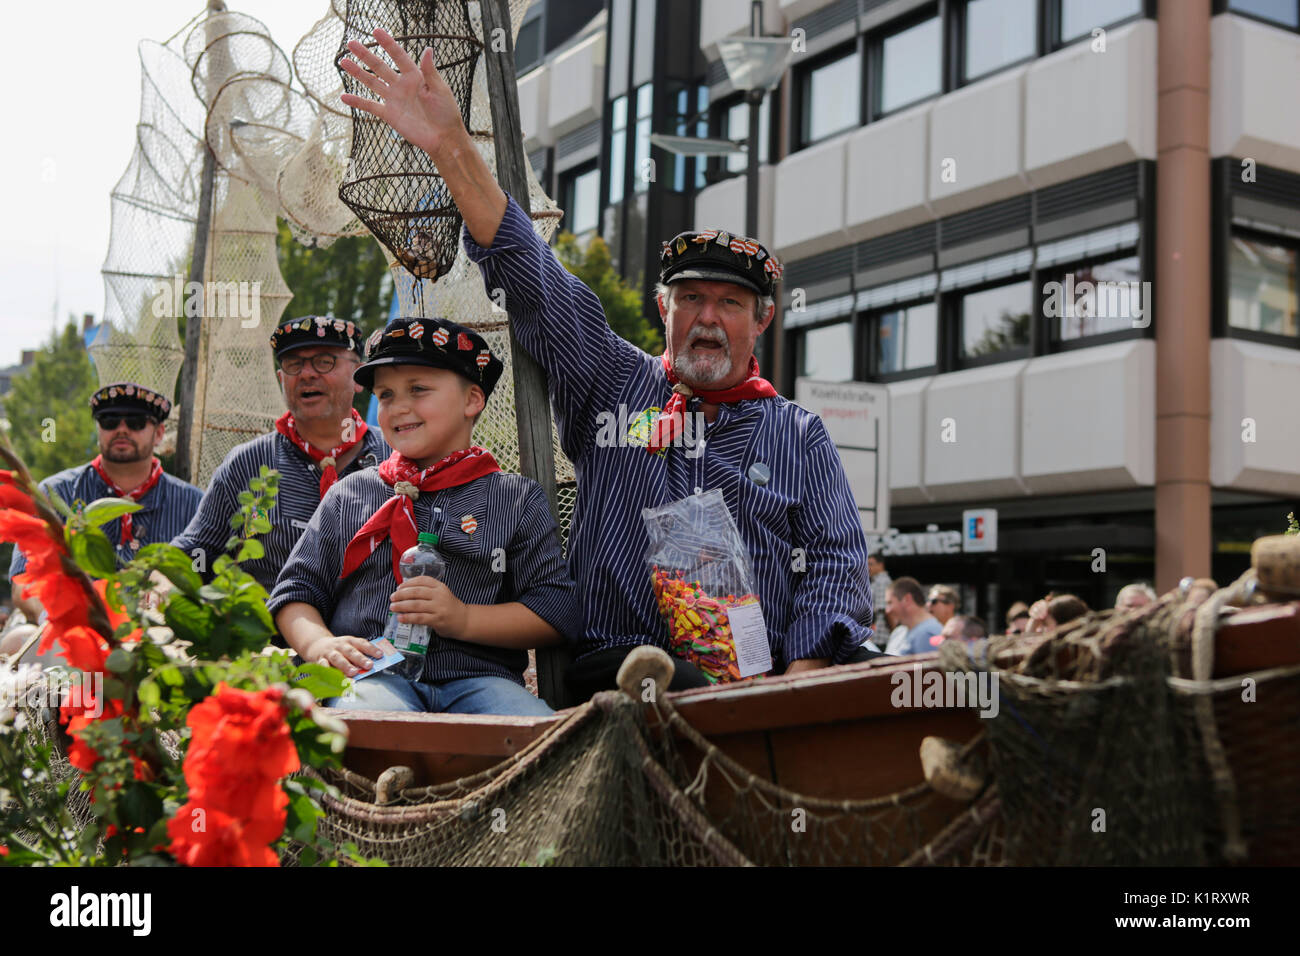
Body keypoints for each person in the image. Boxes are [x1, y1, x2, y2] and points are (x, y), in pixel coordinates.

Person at [335, 30, 876, 699]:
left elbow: (835, 565)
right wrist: (451, 149)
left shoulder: (798, 434)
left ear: (763, 318)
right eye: (692, 299)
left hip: (757, 695)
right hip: (614, 681)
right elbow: (531, 273)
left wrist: (797, 688)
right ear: (661, 309)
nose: (708, 319)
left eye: (731, 303)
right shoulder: (613, 382)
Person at [268, 318, 578, 716]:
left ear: (472, 400)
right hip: (371, 677)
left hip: (480, 682)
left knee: (536, 735)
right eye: (386, 394)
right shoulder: (350, 493)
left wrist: (463, 619)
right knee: (369, 724)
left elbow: (553, 611)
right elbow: (295, 593)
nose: (399, 406)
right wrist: (320, 645)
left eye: (418, 389)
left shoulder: (514, 499)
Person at [172, 316, 390, 592]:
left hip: (368, 633)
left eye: (325, 361)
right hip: (267, 631)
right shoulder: (248, 463)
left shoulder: (394, 457)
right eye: (294, 364)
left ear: (359, 375)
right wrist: (163, 576)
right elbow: (198, 549)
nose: (307, 374)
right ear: (281, 379)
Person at [7, 382, 202, 623]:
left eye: (136, 422)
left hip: (161, 633)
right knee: (20, 638)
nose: (122, 430)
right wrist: (53, 617)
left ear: (159, 433)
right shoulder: (54, 493)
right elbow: (24, 578)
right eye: (109, 421)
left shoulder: (194, 504)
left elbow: (203, 577)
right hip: (67, 626)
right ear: (98, 428)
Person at [883, 577, 942, 655]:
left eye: (890, 603)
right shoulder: (898, 632)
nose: (887, 610)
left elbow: (921, 667)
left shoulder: (928, 634)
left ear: (907, 599)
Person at [867, 554, 892, 630]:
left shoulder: (882, 581)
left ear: (880, 565)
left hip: (881, 630)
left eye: (870, 564)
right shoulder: (875, 581)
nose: (868, 568)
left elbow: (884, 610)